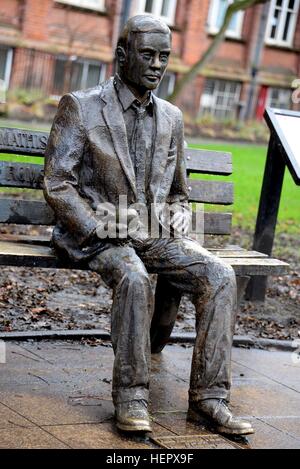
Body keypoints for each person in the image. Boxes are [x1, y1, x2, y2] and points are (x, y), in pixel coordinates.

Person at [44, 14, 254, 436]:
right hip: (98, 233)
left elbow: (178, 192)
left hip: (154, 232)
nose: (158, 65)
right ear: (122, 57)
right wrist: (94, 224)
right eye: (148, 55)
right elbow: (58, 183)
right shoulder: (81, 107)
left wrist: (178, 219)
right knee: (135, 277)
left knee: (219, 275)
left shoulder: (172, 117)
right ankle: (131, 395)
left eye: (165, 56)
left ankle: (209, 399)